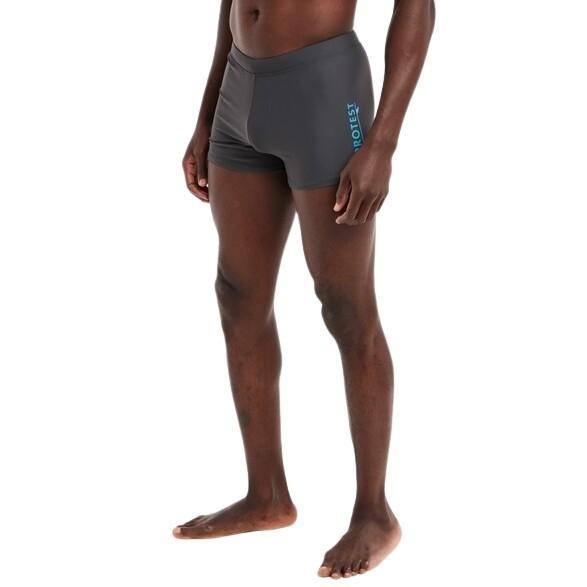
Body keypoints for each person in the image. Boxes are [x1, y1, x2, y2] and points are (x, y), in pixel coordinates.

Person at [174, 0, 435, 579]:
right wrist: (207, 111)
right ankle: (266, 494)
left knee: (346, 308)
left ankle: (375, 514)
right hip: (240, 87)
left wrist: (382, 143)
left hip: (324, 91)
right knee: (237, 295)